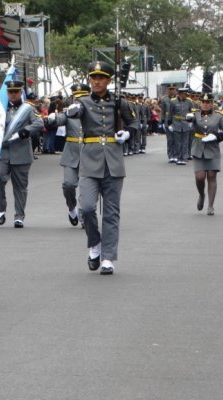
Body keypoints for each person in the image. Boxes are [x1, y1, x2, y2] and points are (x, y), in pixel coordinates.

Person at [66, 61, 138, 275]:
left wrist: (127, 134)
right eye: (93, 77)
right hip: (90, 161)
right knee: (87, 208)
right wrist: (69, 112)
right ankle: (94, 244)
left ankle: (107, 257)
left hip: (113, 162)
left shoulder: (119, 102)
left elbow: (133, 124)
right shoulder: (83, 102)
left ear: (108, 80)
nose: (96, 81)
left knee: (111, 213)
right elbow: (73, 114)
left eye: (101, 78)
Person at [0, 80, 44, 228]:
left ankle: (19, 216)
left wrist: (26, 130)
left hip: (21, 152)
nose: (13, 94)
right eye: (10, 92)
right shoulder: (0, 108)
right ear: (7, 93)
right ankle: (1, 208)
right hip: (4, 151)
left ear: (21, 92)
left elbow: (39, 123)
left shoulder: (27, 108)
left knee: (20, 186)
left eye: (16, 91)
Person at [49, 83, 90, 227]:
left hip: (89, 153)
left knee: (87, 188)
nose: (79, 100)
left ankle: (84, 216)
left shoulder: (93, 112)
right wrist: (52, 118)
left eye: (82, 97)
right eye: (76, 97)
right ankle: (72, 208)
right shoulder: (68, 112)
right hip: (71, 152)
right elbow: (59, 120)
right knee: (68, 185)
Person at [187, 93, 223, 215]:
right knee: (200, 177)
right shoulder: (195, 114)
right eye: (203, 102)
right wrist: (189, 120)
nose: (205, 104)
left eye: (208, 102)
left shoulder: (218, 116)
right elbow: (189, 123)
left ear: (212, 104)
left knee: (212, 176)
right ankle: (201, 195)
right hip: (198, 148)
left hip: (212, 149)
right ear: (200, 103)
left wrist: (217, 136)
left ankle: (211, 206)